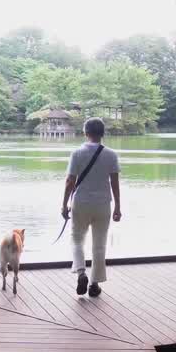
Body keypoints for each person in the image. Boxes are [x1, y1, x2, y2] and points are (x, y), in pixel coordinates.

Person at [61, 117, 121, 297]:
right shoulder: (111, 154)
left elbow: (70, 181)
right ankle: (94, 285)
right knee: (100, 244)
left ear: (85, 133)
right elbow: (115, 183)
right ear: (102, 133)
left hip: (81, 203)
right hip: (103, 204)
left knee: (77, 239)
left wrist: (64, 205)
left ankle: (81, 272)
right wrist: (118, 207)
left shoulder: (77, 153)